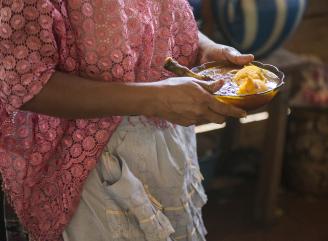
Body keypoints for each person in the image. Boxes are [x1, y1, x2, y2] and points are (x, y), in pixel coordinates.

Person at [0, 0, 253, 240]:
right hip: (90, 163)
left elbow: (150, 16)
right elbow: (24, 81)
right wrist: (154, 99)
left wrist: (202, 48)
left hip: (168, 135)